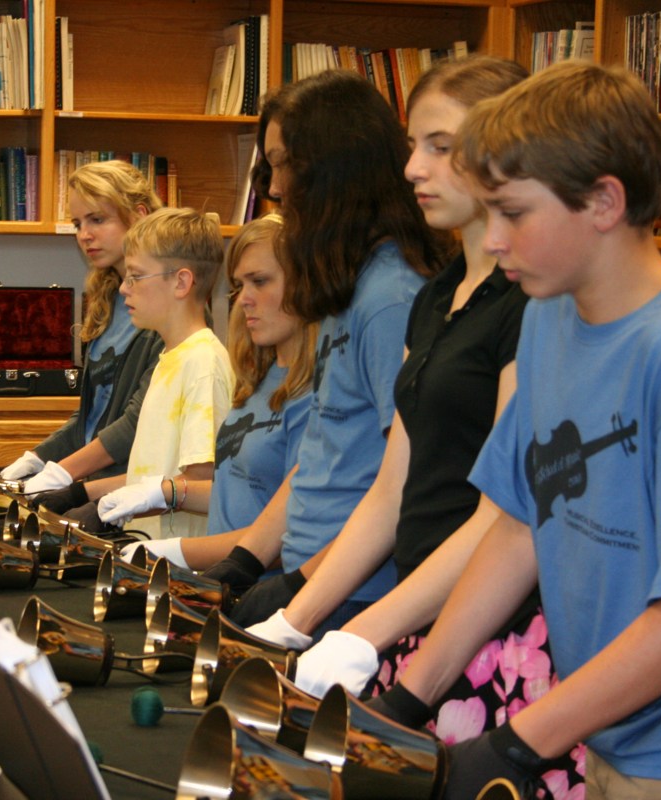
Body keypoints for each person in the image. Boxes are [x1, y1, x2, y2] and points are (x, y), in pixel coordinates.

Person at [366, 60, 661, 800]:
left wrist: (520, 743)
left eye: (514, 214)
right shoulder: (549, 315)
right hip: (617, 721)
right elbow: (521, 523)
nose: (495, 239)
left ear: (605, 202)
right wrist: (408, 697)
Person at [239, 54, 585, 795]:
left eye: (440, 146)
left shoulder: (533, 305)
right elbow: (392, 490)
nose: (413, 169)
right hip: (418, 621)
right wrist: (297, 617)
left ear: (507, 150)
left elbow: (504, 520)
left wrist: (362, 631)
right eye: (412, 146)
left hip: (495, 633)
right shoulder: (436, 299)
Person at [185, 69, 444, 637]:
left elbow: (402, 483)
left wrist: (303, 587)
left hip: (352, 596)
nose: (276, 188)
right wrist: (246, 561)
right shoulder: (345, 286)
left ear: (336, 167)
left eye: (286, 164)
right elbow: (325, 450)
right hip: (312, 582)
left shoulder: (391, 298)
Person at [100, 214, 315, 560]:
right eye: (239, 285)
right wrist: (166, 493)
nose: (243, 299)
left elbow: (295, 532)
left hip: (254, 577)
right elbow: (233, 491)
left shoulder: (314, 395)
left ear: (307, 286)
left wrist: (178, 552)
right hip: (223, 574)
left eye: (259, 281)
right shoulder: (255, 383)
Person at [48, 207, 233, 539]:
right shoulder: (171, 357)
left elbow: (202, 481)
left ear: (181, 282)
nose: (123, 288)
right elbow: (151, 475)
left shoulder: (202, 364)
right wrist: (81, 494)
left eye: (135, 277)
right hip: (145, 546)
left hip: (175, 557)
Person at [0, 160, 164, 495]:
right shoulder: (107, 299)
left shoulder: (169, 305)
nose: (84, 235)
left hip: (131, 493)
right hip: (95, 484)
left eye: (97, 219)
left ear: (139, 216)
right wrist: (38, 458)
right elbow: (92, 416)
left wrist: (63, 473)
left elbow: (139, 421)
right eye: (78, 223)